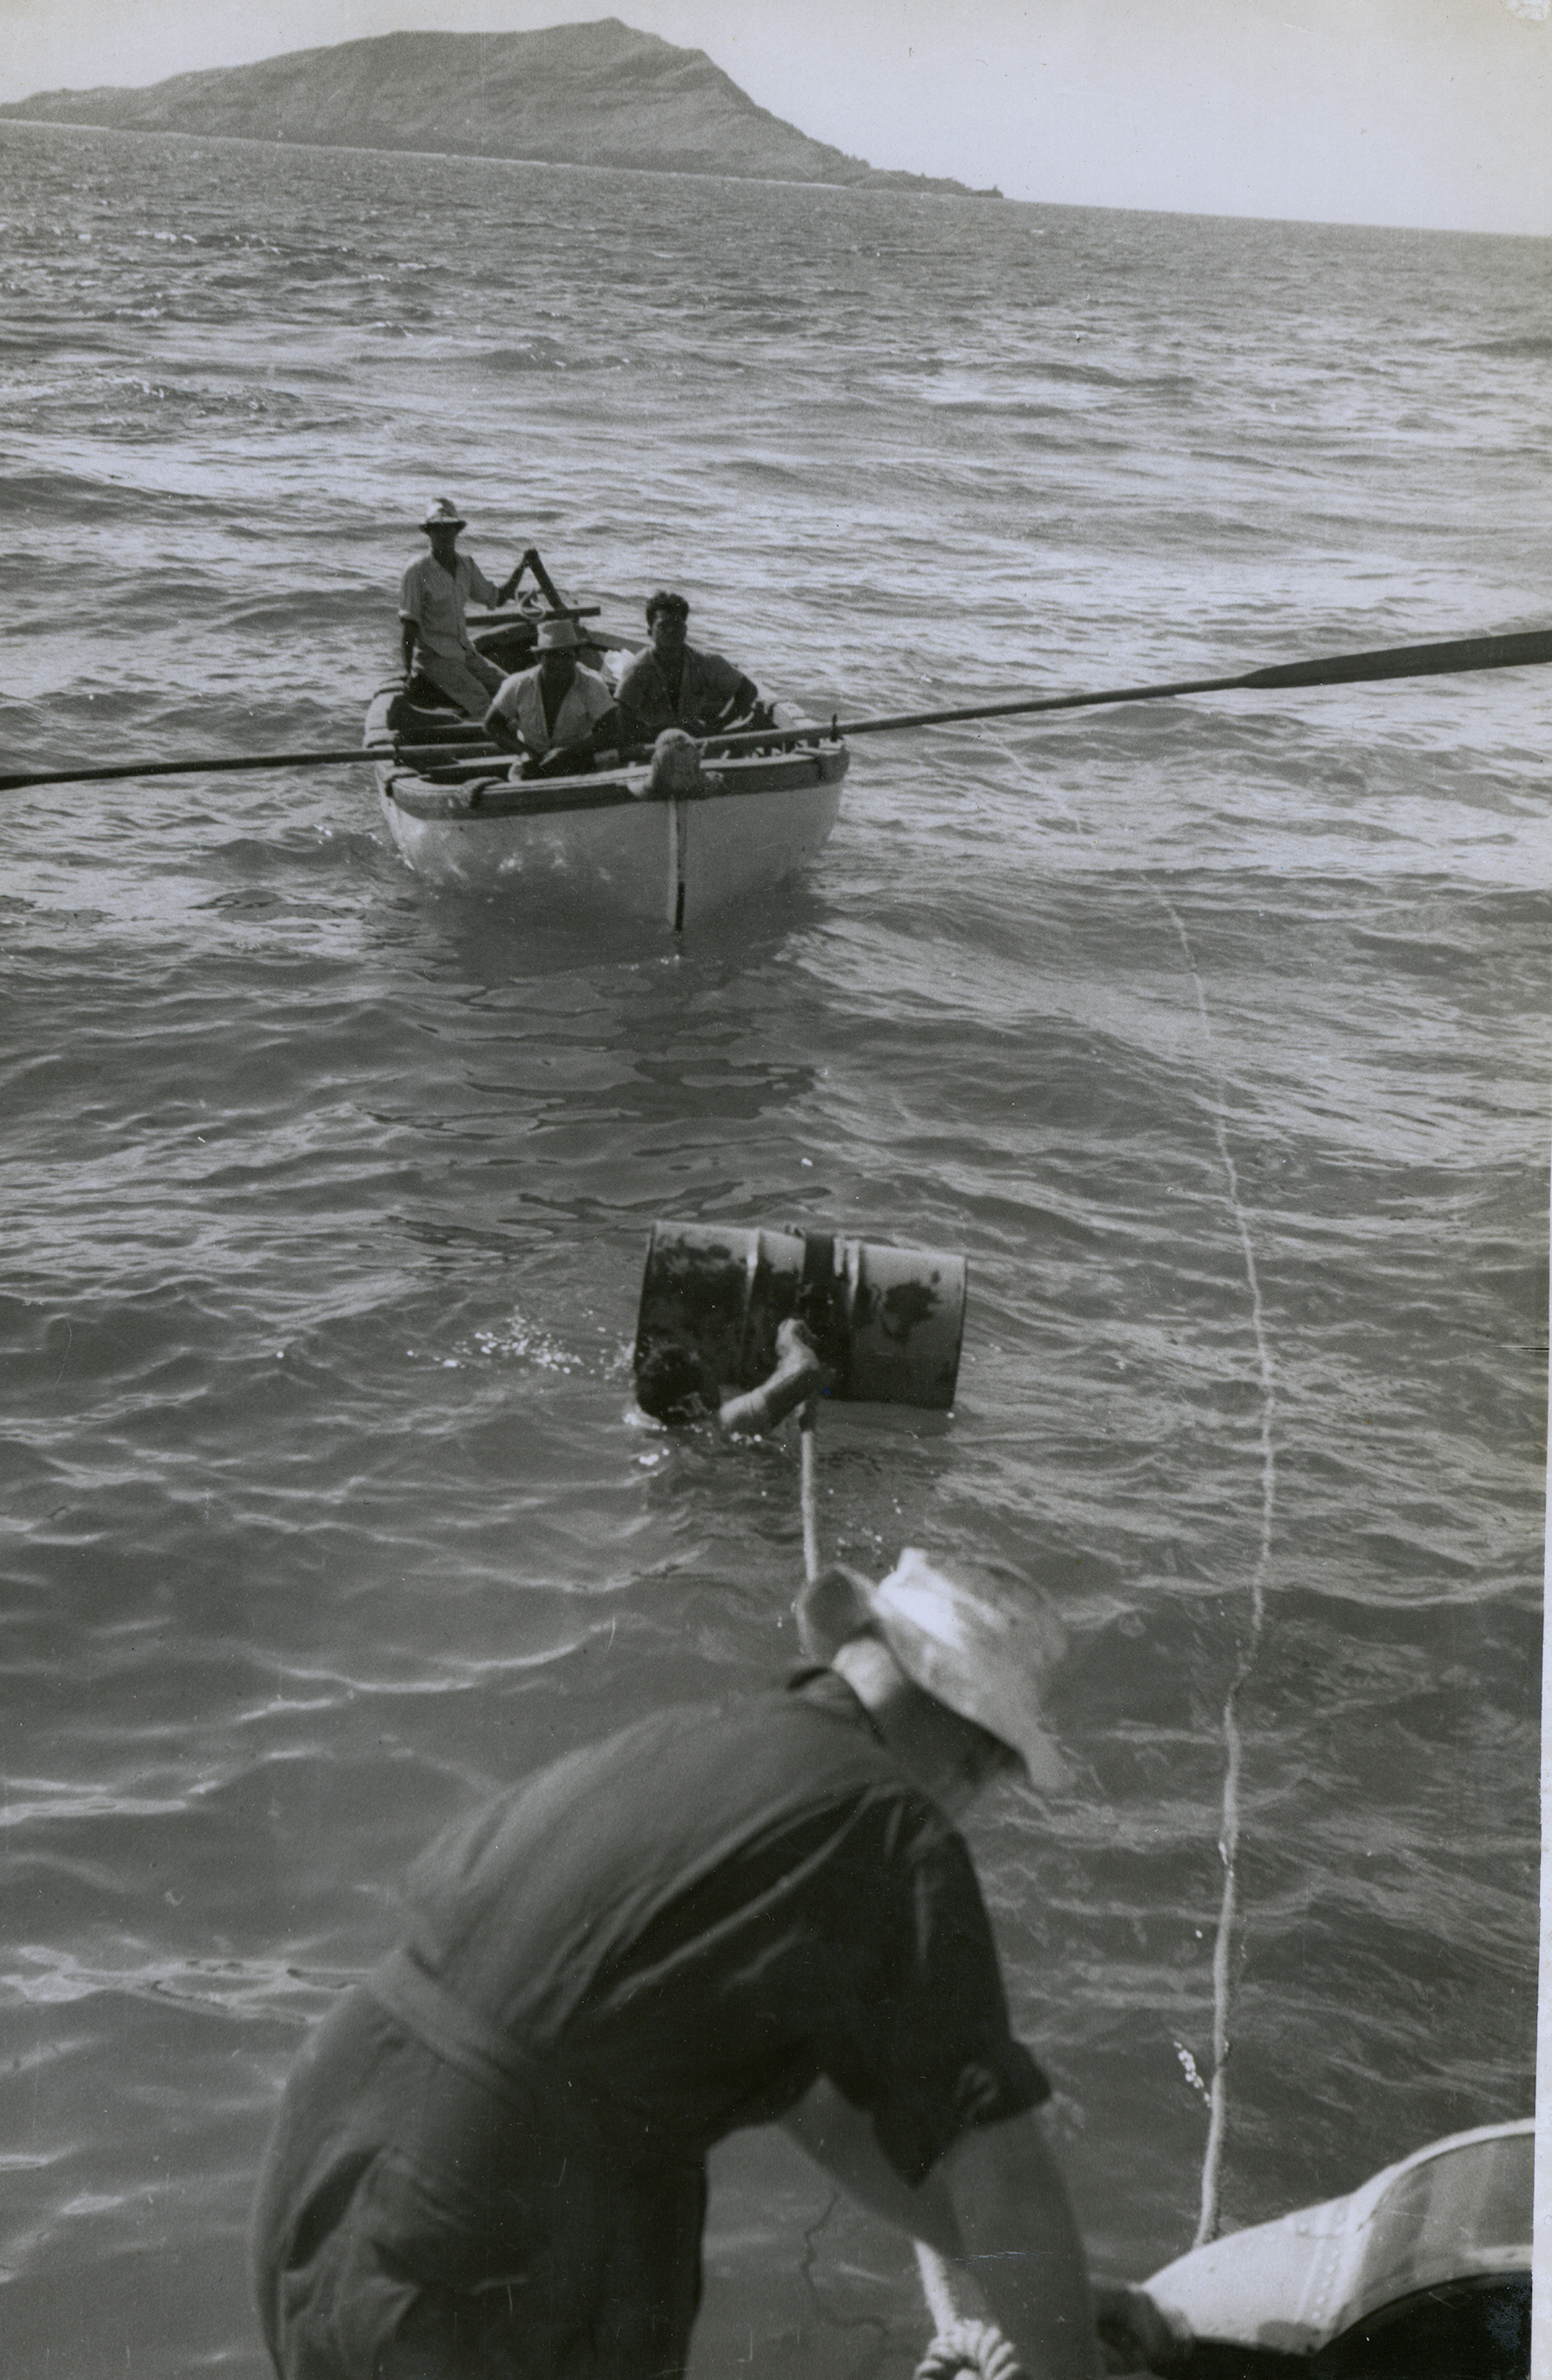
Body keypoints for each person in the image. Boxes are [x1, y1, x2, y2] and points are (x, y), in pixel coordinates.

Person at [250, 1542, 1187, 2380]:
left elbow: (816, 2113)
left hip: (326, 2168)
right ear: (978, 1751)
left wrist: (1039, 2299)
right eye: (992, 1774)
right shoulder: (886, 1822)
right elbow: (1000, 2165)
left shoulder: (697, 1743)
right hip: (486, 2236)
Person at [399, 500, 522, 719]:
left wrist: (522, 567)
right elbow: (409, 625)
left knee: (512, 689)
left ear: (457, 530)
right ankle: (502, 743)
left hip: (465, 651)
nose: (444, 533)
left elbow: (495, 598)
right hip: (434, 658)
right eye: (437, 528)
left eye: (449, 527)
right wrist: (406, 672)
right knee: (482, 703)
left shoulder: (466, 565)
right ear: (429, 533)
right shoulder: (417, 570)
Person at [614, 590, 768, 743]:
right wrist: (660, 734)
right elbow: (621, 722)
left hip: (692, 743)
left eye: (676, 624)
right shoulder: (637, 669)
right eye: (663, 626)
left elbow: (748, 690)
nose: (671, 631)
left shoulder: (704, 662)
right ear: (649, 632)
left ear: (686, 630)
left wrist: (719, 724)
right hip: (649, 746)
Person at [634, 1314, 826, 1435]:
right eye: (705, 1368)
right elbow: (806, 1370)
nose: (712, 1371)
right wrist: (788, 1340)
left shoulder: (662, 1420)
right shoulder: (728, 1421)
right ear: (694, 1400)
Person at [483, 617, 625, 779]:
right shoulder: (518, 684)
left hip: (579, 761)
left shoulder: (592, 685)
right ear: (538, 658)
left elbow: (614, 731)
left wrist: (568, 753)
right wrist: (524, 752)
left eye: (565, 656)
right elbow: (491, 724)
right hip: (532, 762)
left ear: (576, 657)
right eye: (551, 655)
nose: (558, 663)